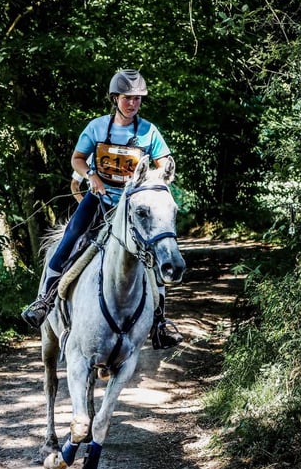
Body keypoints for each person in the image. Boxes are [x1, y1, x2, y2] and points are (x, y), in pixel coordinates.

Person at [21, 68, 184, 349]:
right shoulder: (97, 127)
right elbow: (77, 159)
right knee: (71, 239)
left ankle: (159, 322)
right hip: (101, 199)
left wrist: (157, 179)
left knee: (153, 252)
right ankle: (44, 302)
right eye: (127, 98)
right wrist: (91, 177)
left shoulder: (149, 131)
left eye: (137, 99)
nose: (132, 104)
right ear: (114, 98)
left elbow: (164, 161)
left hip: (134, 207)